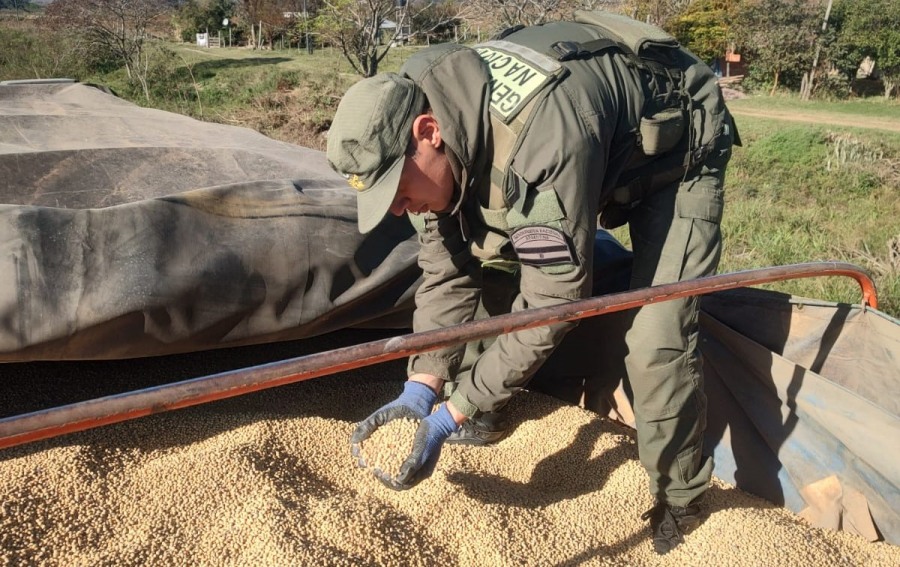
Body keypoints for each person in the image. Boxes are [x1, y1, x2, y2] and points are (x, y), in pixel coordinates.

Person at [326, 10, 737, 555]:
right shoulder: (415, 105)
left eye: (397, 190)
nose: (399, 210)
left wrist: (452, 413)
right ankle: (483, 403)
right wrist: (421, 386)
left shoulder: (540, 139)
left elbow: (555, 300)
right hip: (594, 137)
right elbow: (447, 271)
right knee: (491, 257)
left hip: (678, 148)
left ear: (429, 133)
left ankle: (683, 498)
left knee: (656, 335)